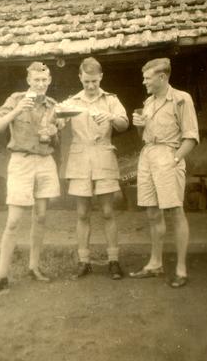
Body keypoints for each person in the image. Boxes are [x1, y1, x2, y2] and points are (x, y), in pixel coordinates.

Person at [0, 62, 62, 295]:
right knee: (14, 221)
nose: (40, 84)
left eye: (44, 80)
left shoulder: (53, 105)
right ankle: (1, 276)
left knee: (41, 216)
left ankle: (34, 267)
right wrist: (17, 110)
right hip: (21, 162)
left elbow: (55, 143)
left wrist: (55, 133)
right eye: (36, 80)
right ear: (29, 81)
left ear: (49, 81)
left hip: (45, 162)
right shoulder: (15, 99)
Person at [129, 58, 199, 288]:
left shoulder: (181, 99)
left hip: (169, 154)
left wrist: (175, 159)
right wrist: (138, 123)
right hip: (148, 155)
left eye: (147, 78)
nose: (143, 81)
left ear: (162, 77)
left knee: (175, 211)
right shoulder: (148, 102)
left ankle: (181, 269)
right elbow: (144, 136)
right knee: (152, 212)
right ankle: (155, 263)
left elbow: (191, 137)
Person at [63, 57, 129, 279]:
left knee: (108, 211)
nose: (91, 86)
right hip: (80, 159)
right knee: (82, 213)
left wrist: (111, 117)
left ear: (101, 77)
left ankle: (113, 260)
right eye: (86, 81)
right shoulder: (72, 101)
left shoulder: (111, 100)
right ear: (80, 77)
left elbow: (124, 123)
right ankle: (84, 262)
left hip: (103, 156)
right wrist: (56, 120)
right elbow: (57, 121)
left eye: (94, 81)